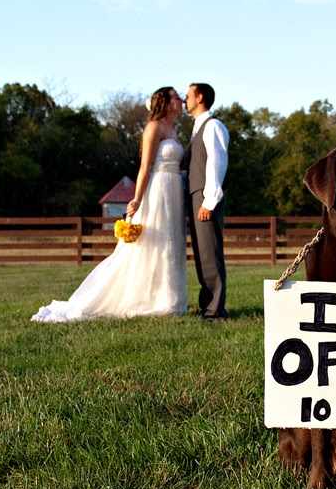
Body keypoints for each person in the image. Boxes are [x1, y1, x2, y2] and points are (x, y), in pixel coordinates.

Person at [31, 87, 188, 322]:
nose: (181, 100)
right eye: (176, 97)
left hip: (174, 189)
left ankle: (169, 298)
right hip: (158, 189)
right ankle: (150, 300)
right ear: (165, 103)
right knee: (154, 241)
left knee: (171, 241)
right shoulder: (154, 127)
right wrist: (137, 198)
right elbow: (145, 166)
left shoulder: (174, 130)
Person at [182, 82, 229, 319]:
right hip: (196, 195)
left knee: (210, 252)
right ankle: (208, 305)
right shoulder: (198, 128)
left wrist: (209, 201)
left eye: (188, 95)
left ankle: (215, 309)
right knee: (202, 253)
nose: (185, 100)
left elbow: (216, 164)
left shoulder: (213, 126)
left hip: (205, 195)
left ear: (199, 98)